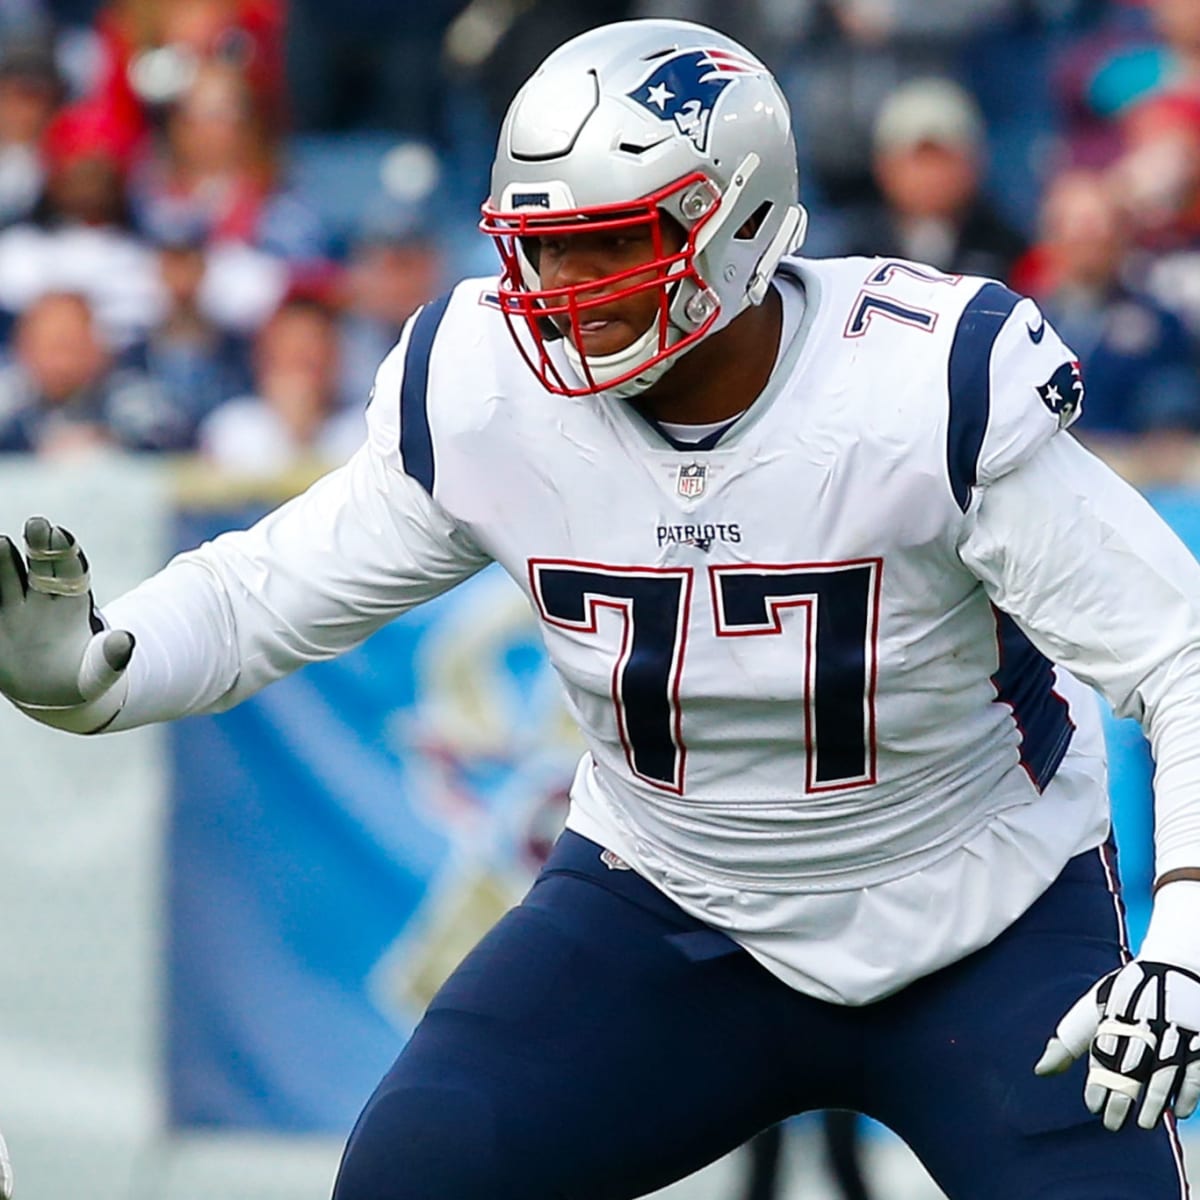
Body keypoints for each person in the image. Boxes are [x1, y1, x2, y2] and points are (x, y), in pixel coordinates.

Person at [2, 18, 1200, 1200]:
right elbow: (269, 589)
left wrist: (1189, 934)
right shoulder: (482, 385)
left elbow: (1180, 652)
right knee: (412, 1179)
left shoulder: (919, 380)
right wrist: (107, 668)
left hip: (980, 912)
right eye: (537, 248)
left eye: (605, 244)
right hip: (671, 901)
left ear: (731, 221)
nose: (557, 291)